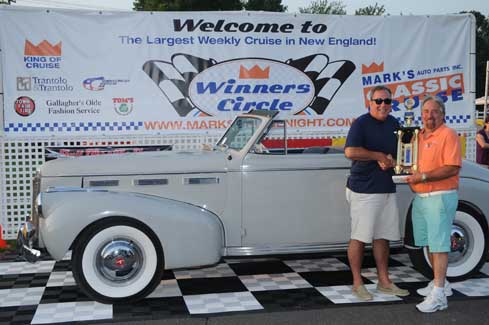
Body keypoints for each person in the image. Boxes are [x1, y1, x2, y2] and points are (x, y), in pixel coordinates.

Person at [344, 85, 409, 301]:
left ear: (392, 104)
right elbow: (350, 152)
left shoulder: (394, 123)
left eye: (387, 101)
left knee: (383, 238)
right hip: (364, 190)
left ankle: (384, 282)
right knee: (360, 238)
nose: (383, 105)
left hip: (387, 188)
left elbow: (400, 153)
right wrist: (378, 156)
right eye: (378, 101)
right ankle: (357, 283)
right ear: (369, 103)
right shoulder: (361, 123)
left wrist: (391, 160)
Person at [406, 95, 462, 313]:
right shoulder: (417, 135)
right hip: (421, 198)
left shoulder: (448, 134)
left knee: (439, 246)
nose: (430, 116)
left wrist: (422, 177)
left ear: (442, 114)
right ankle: (442, 284)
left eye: (434, 111)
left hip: (440, 196)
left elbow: (452, 168)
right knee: (430, 242)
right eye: (426, 112)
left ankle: (439, 295)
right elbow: (409, 161)